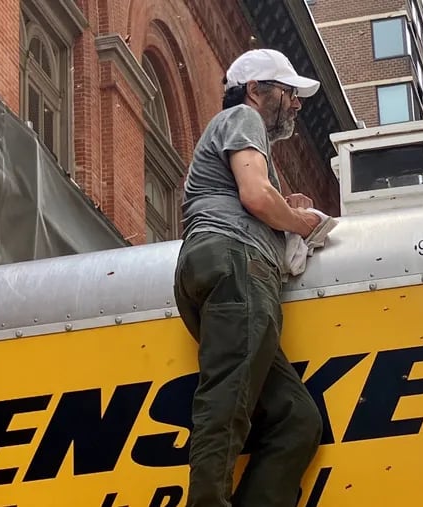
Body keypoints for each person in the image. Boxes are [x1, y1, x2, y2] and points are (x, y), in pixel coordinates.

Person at [173, 48, 325, 507]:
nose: (296, 103)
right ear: (256, 90)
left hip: (221, 264)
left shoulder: (242, 136)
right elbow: (256, 197)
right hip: (235, 263)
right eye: (288, 91)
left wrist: (285, 207)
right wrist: (304, 224)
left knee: (297, 418)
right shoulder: (243, 116)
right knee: (227, 400)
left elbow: (259, 195)